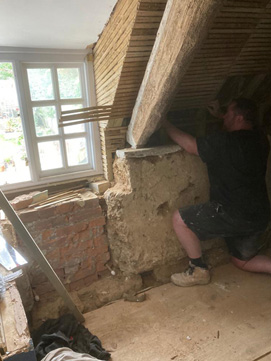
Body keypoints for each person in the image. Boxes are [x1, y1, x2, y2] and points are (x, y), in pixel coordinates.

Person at [163, 98, 271, 287]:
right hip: (259, 215)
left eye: (227, 113)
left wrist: (164, 123)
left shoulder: (225, 142)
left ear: (238, 118)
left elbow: (190, 145)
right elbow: (240, 128)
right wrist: (221, 115)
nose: (224, 116)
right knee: (242, 261)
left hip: (233, 213)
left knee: (179, 220)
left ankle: (198, 270)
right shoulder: (261, 139)